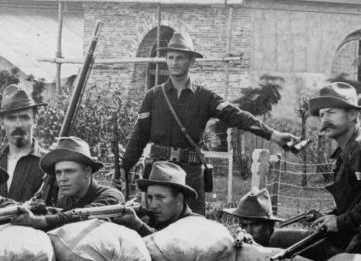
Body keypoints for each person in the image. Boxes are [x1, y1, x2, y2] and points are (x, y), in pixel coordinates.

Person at [122, 31, 301, 211]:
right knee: (154, 223)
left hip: (189, 173)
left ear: (191, 61)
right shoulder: (153, 97)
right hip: (158, 172)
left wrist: (273, 135)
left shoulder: (205, 97)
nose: (174, 62)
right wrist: (123, 167)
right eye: (170, 57)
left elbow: (237, 116)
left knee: (194, 227)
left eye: (180, 58)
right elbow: (139, 137)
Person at [300, 82, 361, 261]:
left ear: (352, 115)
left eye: (331, 112)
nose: (324, 119)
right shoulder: (348, 151)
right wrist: (333, 215)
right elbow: (356, 200)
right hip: (353, 233)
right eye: (321, 114)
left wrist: (340, 222)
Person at [15, 135, 127, 231]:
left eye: (69, 171)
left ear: (87, 172)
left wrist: (39, 221)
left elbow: (85, 215)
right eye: (58, 172)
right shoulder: (65, 201)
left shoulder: (112, 196)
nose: (62, 179)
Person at [0, 84, 47, 204]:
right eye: (11, 118)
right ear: (1, 123)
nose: (18, 124)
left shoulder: (48, 164)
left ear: (35, 120)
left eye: (24, 117)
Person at [122, 161, 195, 234]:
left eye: (160, 197)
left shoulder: (195, 224)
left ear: (179, 198)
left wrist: (139, 226)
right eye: (150, 197)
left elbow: (171, 242)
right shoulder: (152, 220)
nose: (153, 206)